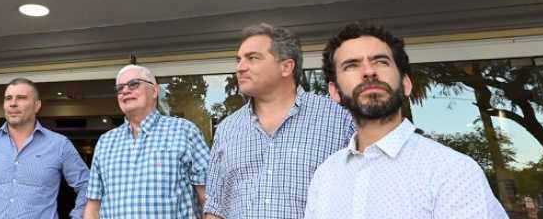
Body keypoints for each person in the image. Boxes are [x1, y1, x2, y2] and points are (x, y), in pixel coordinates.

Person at [303, 22, 508, 218]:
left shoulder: (453, 171)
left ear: (406, 84)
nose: (368, 71)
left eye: (381, 61)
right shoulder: (325, 175)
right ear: (334, 92)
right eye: (351, 65)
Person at [203, 23, 354, 219]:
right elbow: (215, 207)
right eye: (239, 60)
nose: (240, 68)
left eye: (253, 58)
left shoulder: (338, 120)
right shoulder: (227, 129)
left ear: (286, 67)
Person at [0, 78, 89, 219]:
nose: (13, 103)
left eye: (21, 98)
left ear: (37, 105)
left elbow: (87, 185)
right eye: (8, 98)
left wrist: (77, 216)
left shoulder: (59, 145)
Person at [84, 65, 210, 219]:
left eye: (133, 84)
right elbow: (93, 206)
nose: (125, 91)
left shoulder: (184, 131)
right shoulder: (105, 142)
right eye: (120, 88)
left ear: (155, 91)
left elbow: (210, 200)